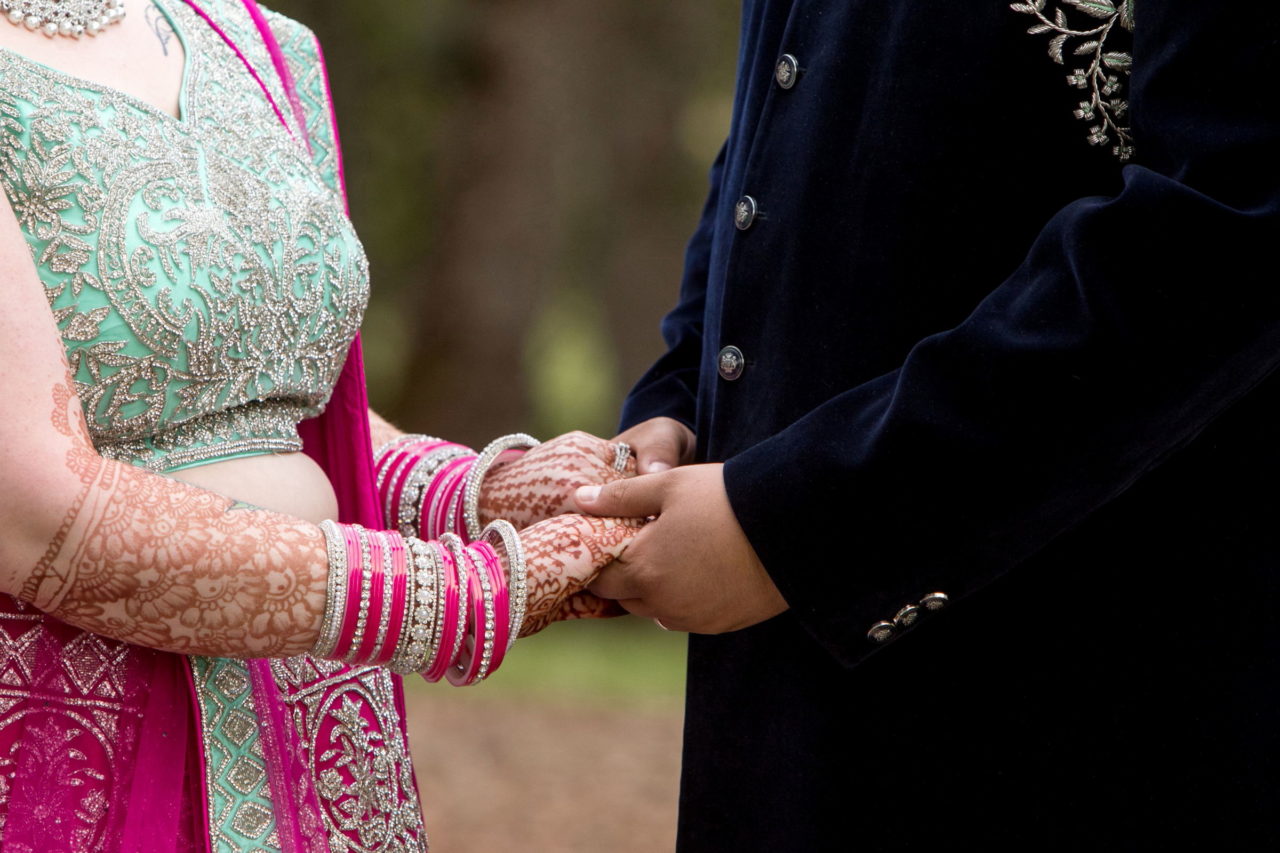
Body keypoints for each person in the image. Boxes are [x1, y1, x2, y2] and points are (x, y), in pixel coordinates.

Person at [577, 1, 1280, 848]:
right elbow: (782, 111)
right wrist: (680, 397)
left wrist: (805, 524)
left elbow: (1229, 224)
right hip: (784, 685)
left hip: (1091, 676)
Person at [0, 0, 636, 849]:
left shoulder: (262, 45)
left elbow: (292, 413)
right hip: (75, 755)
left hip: (320, 744)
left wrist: (485, 493)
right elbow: (31, 505)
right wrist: (464, 593)